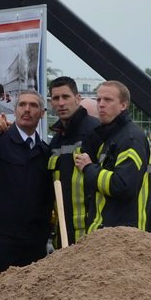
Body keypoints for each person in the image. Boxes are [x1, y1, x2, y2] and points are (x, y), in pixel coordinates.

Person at [0, 90, 52, 279]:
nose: (27, 109)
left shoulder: (44, 152)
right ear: (15, 110)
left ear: (42, 113)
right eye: (22, 105)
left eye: (33, 105)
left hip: (32, 242)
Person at [73, 80, 151, 232]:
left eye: (108, 100)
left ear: (123, 105)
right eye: (99, 99)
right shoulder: (111, 136)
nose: (101, 104)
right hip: (109, 232)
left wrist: (89, 168)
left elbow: (123, 186)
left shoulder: (130, 139)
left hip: (124, 234)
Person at [47, 76, 100, 247]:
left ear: (78, 99)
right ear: (51, 103)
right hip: (63, 232)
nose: (61, 103)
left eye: (66, 97)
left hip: (91, 232)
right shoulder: (55, 140)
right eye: (56, 98)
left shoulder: (95, 131)